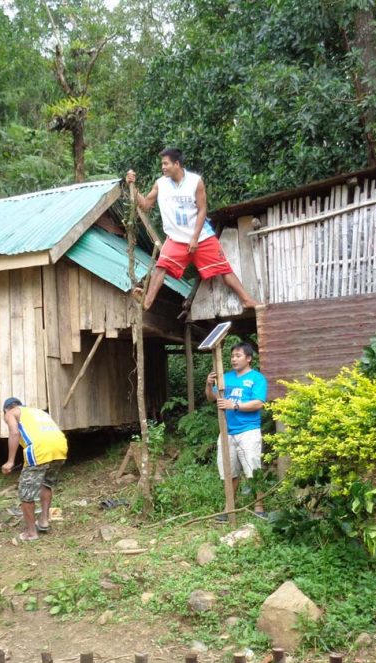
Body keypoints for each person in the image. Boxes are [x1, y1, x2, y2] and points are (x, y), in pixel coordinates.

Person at [126, 148, 259, 311]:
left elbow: (202, 210)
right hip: (175, 238)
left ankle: (246, 300)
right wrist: (133, 186)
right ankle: (147, 302)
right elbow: (145, 205)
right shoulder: (160, 184)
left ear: (177, 163)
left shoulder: (195, 182)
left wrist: (195, 238)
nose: (163, 167)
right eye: (162, 164)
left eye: (166, 163)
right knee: (161, 267)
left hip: (201, 236)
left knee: (224, 268)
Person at [206, 342, 268, 517]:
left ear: (248, 359)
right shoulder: (225, 377)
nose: (234, 359)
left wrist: (234, 405)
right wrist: (209, 385)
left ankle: (259, 508)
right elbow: (212, 398)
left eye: (238, 355)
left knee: (253, 470)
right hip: (227, 431)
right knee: (229, 472)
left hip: (248, 431)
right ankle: (229, 508)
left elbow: (258, 403)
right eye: (232, 356)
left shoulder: (257, 379)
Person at [1, 397, 68, 542]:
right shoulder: (38, 412)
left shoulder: (11, 412)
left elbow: (14, 433)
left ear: (7, 409)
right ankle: (43, 521)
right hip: (60, 447)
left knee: (26, 493)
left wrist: (10, 461)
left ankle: (31, 533)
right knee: (46, 483)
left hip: (39, 450)